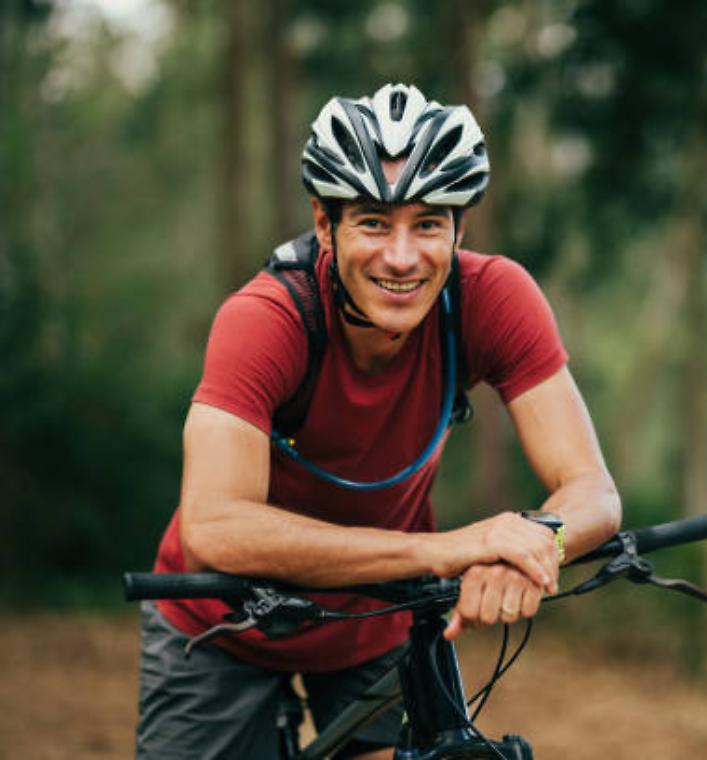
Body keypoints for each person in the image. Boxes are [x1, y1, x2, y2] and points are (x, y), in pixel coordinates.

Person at [136, 82, 621, 759]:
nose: (401, 256)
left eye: (427, 224)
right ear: (323, 222)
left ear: (459, 229)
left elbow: (593, 490)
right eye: (372, 222)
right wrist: (446, 550)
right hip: (224, 623)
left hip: (380, 624)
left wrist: (537, 544)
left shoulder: (493, 299)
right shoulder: (266, 320)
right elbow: (214, 529)